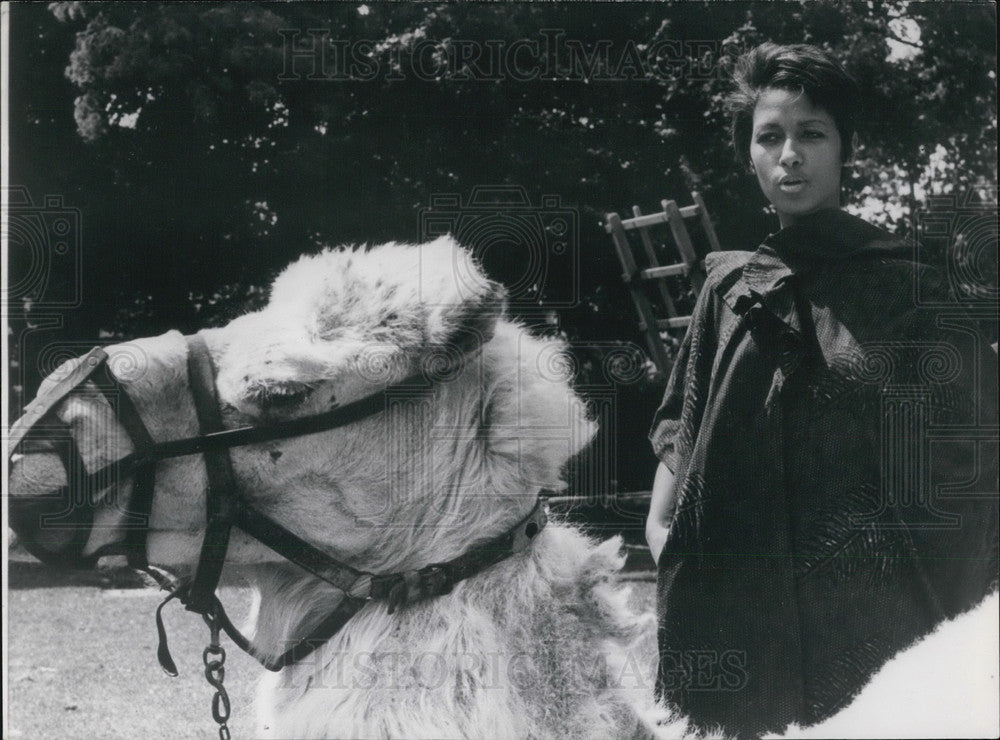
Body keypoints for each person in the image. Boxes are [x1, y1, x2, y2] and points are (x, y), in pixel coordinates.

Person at [646, 42, 998, 737]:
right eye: (769, 137)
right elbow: (677, 468)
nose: (789, 156)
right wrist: (677, 552)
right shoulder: (727, 290)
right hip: (749, 645)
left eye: (812, 134)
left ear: (846, 150)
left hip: (877, 640)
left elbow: (970, 478)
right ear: (748, 156)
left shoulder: (913, 289)